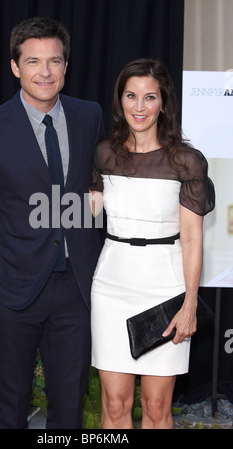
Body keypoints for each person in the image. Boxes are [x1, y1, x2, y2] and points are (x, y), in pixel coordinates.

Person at [0, 17, 105, 429]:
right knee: (11, 402)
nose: (45, 71)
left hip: (75, 289)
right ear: (15, 67)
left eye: (54, 61)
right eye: (34, 61)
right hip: (13, 289)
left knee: (69, 405)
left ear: (65, 66)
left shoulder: (88, 116)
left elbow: (98, 185)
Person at [90, 58, 215, 429]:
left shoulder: (186, 162)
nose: (139, 107)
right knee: (114, 406)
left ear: (164, 103)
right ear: (120, 100)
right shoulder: (104, 154)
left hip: (166, 288)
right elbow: (84, 215)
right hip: (111, 286)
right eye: (131, 96)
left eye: (150, 97)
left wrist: (190, 303)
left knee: (157, 408)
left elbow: (192, 237)